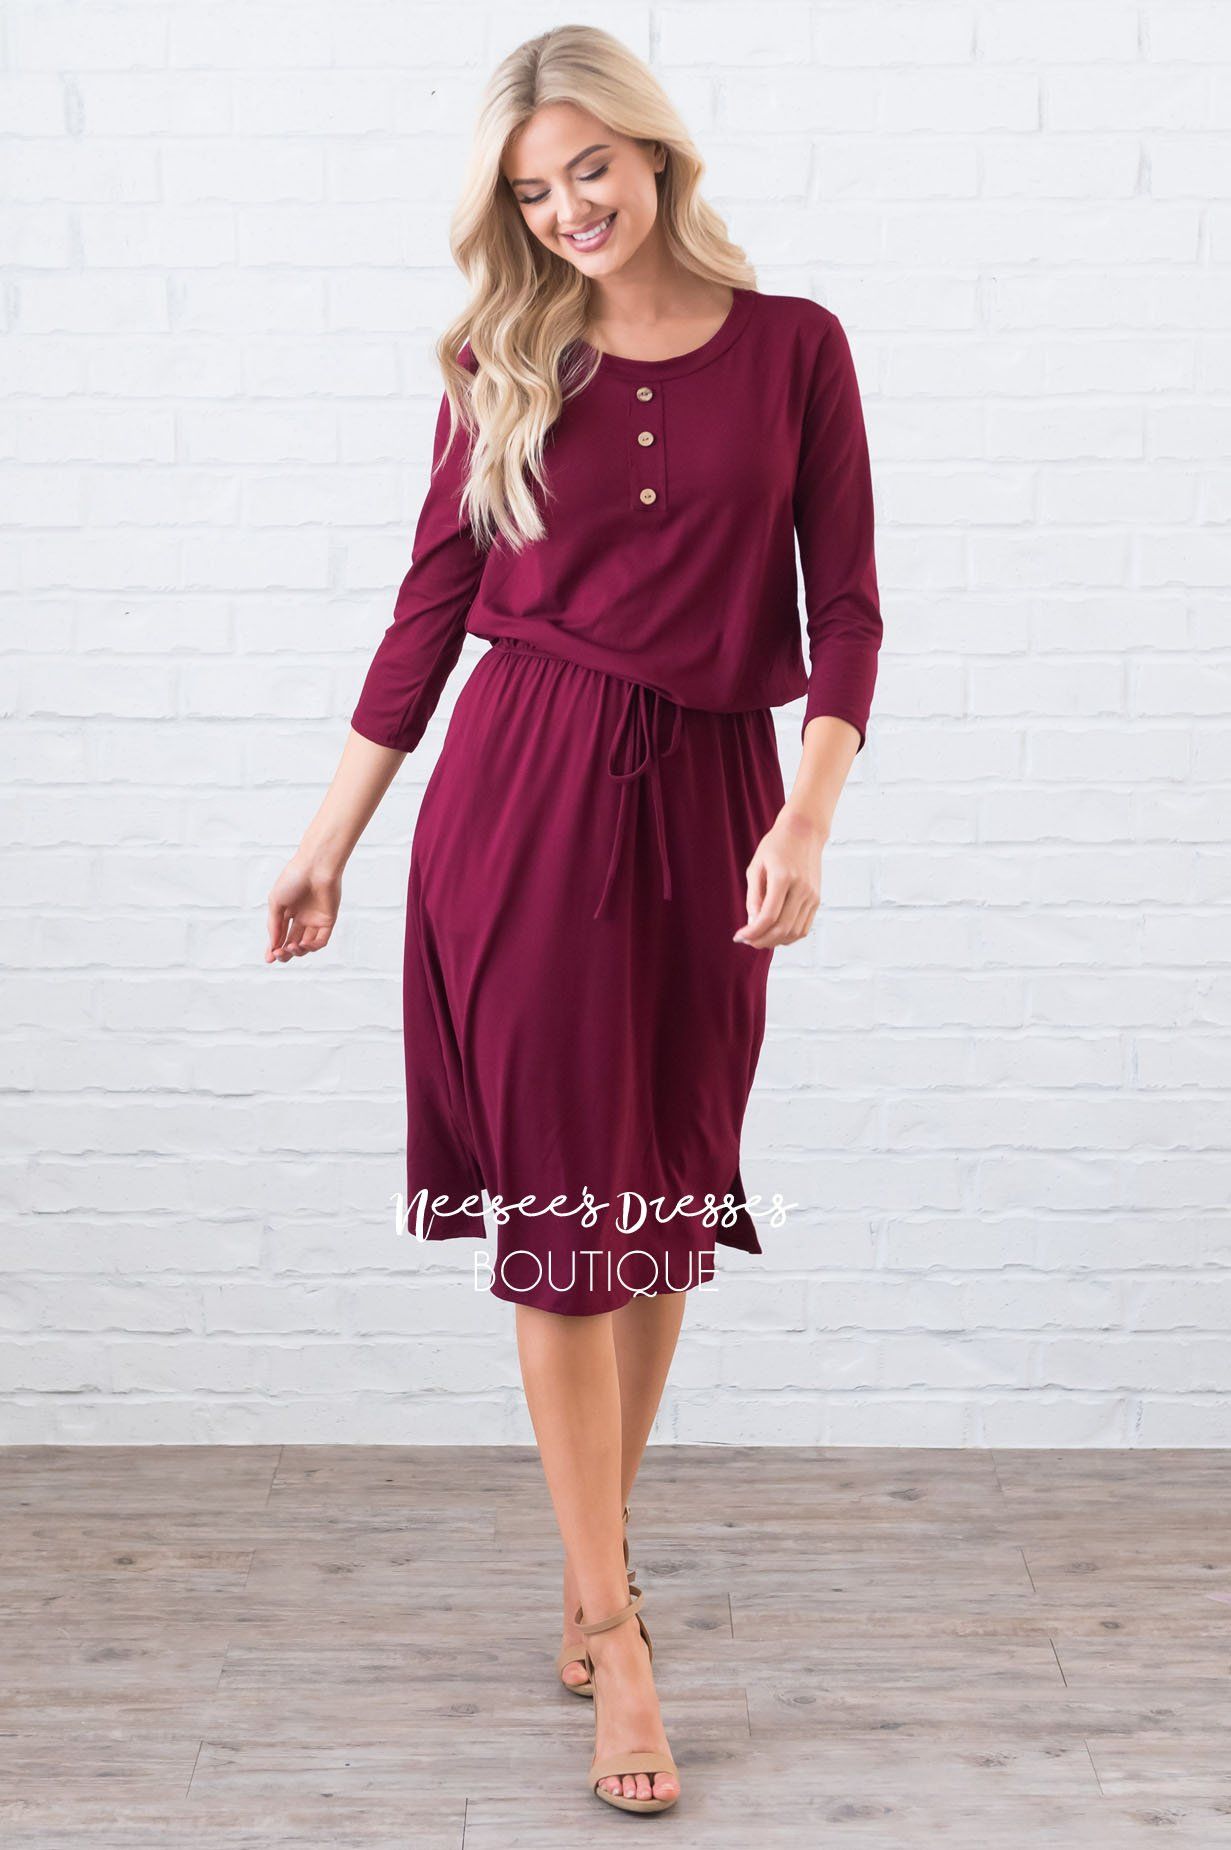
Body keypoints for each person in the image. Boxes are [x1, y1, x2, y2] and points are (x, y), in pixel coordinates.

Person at [264, 24, 882, 1817]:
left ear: (654, 151)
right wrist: (329, 843)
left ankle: (588, 1553)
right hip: (520, 800)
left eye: (587, 169)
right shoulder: (501, 359)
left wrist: (809, 815)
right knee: (564, 1215)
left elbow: (846, 607)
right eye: (532, 193)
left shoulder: (798, 347)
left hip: (714, 799)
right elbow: (425, 614)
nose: (568, 210)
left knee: (661, 1205)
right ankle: (616, 1627)